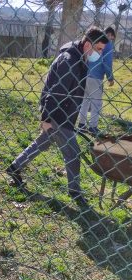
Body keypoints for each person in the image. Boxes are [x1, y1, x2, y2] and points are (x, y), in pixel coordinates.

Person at [6, 27, 109, 207]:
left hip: (64, 112)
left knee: (43, 143)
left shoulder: (80, 57)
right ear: (87, 44)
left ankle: (14, 168)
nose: (100, 53)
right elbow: (55, 91)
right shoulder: (70, 60)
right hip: (58, 114)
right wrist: (46, 118)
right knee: (73, 153)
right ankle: (75, 191)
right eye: (99, 49)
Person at [78, 26, 115, 135]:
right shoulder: (107, 44)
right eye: (112, 37)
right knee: (96, 103)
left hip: (85, 75)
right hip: (96, 77)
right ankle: (93, 127)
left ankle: (81, 124)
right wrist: (110, 78)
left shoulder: (93, 41)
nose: (111, 40)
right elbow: (107, 62)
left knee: (85, 100)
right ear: (110, 35)